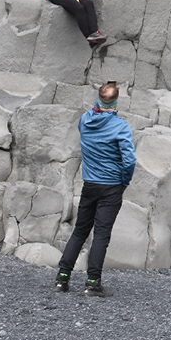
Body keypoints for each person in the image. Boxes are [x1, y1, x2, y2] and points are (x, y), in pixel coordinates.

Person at [56, 81, 137, 297]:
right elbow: (129, 161)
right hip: (111, 186)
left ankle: (62, 278)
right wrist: (124, 181)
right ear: (117, 101)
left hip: (89, 184)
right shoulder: (121, 127)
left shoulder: (85, 121)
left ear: (99, 99)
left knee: (80, 230)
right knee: (101, 233)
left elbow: (95, 114)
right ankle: (92, 283)